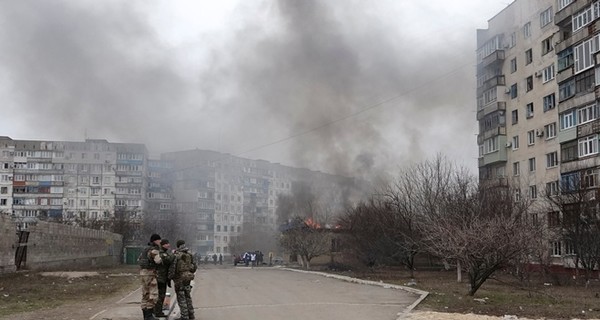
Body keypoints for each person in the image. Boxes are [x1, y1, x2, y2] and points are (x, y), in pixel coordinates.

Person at [168, 240, 197, 320]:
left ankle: (184, 316)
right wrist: (188, 271)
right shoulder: (190, 254)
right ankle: (191, 315)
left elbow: (172, 268)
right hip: (188, 277)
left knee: (181, 298)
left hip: (179, 279)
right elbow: (194, 267)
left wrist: (169, 278)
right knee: (188, 296)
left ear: (178, 246)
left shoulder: (176, 255)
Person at [138, 233, 163, 320]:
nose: (160, 242)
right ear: (155, 240)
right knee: (153, 294)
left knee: (145, 294)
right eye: (159, 240)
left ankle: (145, 315)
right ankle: (149, 315)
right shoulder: (154, 250)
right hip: (150, 273)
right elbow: (158, 261)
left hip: (143, 273)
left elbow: (139, 260)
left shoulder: (145, 250)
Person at [154, 239, 174, 318]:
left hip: (162, 277)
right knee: (160, 295)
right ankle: (157, 312)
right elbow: (169, 260)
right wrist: (173, 254)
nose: (168, 245)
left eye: (168, 243)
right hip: (161, 277)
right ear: (162, 245)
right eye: (166, 244)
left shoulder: (164, 252)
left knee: (161, 295)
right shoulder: (162, 253)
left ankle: (157, 310)